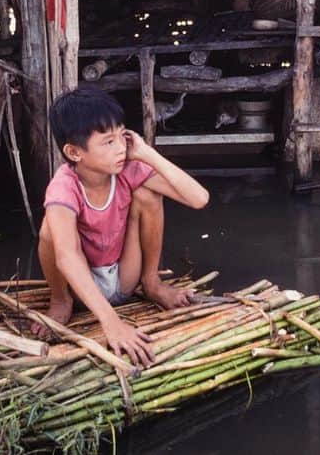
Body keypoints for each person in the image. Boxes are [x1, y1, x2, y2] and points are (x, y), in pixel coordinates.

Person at [38, 86, 210, 366]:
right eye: (108, 142)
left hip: (123, 278)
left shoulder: (126, 169)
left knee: (147, 194)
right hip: (81, 289)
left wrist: (146, 154)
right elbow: (66, 256)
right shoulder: (64, 186)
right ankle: (60, 300)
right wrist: (111, 322)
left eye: (122, 135)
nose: (121, 148)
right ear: (74, 152)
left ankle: (152, 283)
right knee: (50, 227)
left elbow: (199, 198)